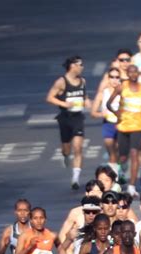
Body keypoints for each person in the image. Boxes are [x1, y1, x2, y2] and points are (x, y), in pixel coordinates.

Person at [46, 55, 90, 190]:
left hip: (78, 118)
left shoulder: (83, 81)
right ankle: (65, 155)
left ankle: (75, 178)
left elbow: (85, 97)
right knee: (67, 148)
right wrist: (64, 103)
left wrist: (88, 103)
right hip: (65, 118)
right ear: (73, 66)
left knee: (78, 147)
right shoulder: (61, 82)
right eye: (80, 65)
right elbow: (49, 98)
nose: (82, 67)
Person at [107, 64, 141, 197]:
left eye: (135, 72)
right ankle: (121, 170)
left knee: (134, 154)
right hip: (123, 126)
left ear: (138, 73)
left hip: (138, 126)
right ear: (127, 73)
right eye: (130, 72)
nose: (133, 74)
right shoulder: (122, 87)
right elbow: (109, 103)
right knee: (123, 156)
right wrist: (116, 113)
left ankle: (131, 186)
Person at [91, 66, 121, 169]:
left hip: (122, 124)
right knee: (112, 151)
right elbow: (93, 113)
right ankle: (115, 176)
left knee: (119, 151)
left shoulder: (124, 92)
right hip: (108, 124)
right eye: (112, 77)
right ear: (108, 78)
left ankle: (120, 168)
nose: (114, 80)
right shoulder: (102, 94)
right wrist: (101, 114)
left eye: (117, 77)